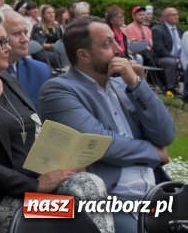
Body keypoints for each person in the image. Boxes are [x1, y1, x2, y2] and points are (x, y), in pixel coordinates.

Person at [0, 7, 111, 233]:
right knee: (71, 217)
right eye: (0, 42)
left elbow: (34, 133)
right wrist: (35, 185)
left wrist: (64, 163)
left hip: (36, 185)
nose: (8, 47)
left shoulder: (10, 83)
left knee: (90, 184)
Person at [38, 17, 175, 233]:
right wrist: (153, 153)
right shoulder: (58, 90)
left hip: (154, 195)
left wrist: (137, 84)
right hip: (107, 201)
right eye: (107, 44)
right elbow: (99, 143)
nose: (119, 49)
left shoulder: (123, 85)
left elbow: (165, 135)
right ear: (84, 55)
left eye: (115, 41)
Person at [2, 10, 51, 110]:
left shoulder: (41, 71)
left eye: (26, 32)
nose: (25, 39)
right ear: (0, 38)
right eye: (16, 34)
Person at [151, 7, 183, 95]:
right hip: (162, 58)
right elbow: (159, 49)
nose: (176, 17)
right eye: (173, 15)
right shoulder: (158, 30)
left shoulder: (179, 30)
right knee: (171, 62)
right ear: (165, 17)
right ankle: (171, 88)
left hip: (179, 57)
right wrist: (176, 59)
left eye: (177, 14)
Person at [30, 4, 66, 70]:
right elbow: (36, 44)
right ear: (43, 15)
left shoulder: (58, 27)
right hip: (42, 51)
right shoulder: (38, 27)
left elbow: (61, 40)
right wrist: (51, 45)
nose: (51, 14)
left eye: (53, 12)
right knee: (58, 57)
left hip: (55, 50)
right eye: (49, 13)